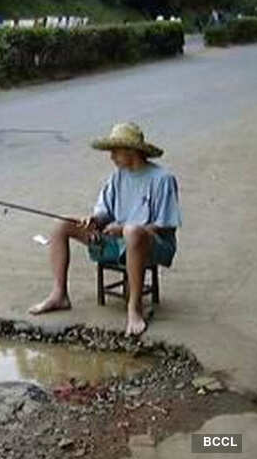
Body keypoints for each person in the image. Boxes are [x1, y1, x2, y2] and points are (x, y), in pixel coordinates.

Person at [29, 122, 181, 336]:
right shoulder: (116, 178)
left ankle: (134, 307)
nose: (112, 157)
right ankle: (59, 294)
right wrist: (93, 221)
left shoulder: (163, 179)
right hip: (117, 239)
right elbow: (104, 213)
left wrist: (124, 229)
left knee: (132, 232)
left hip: (151, 243)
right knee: (62, 223)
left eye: (115, 152)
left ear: (132, 151)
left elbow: (163, 225)